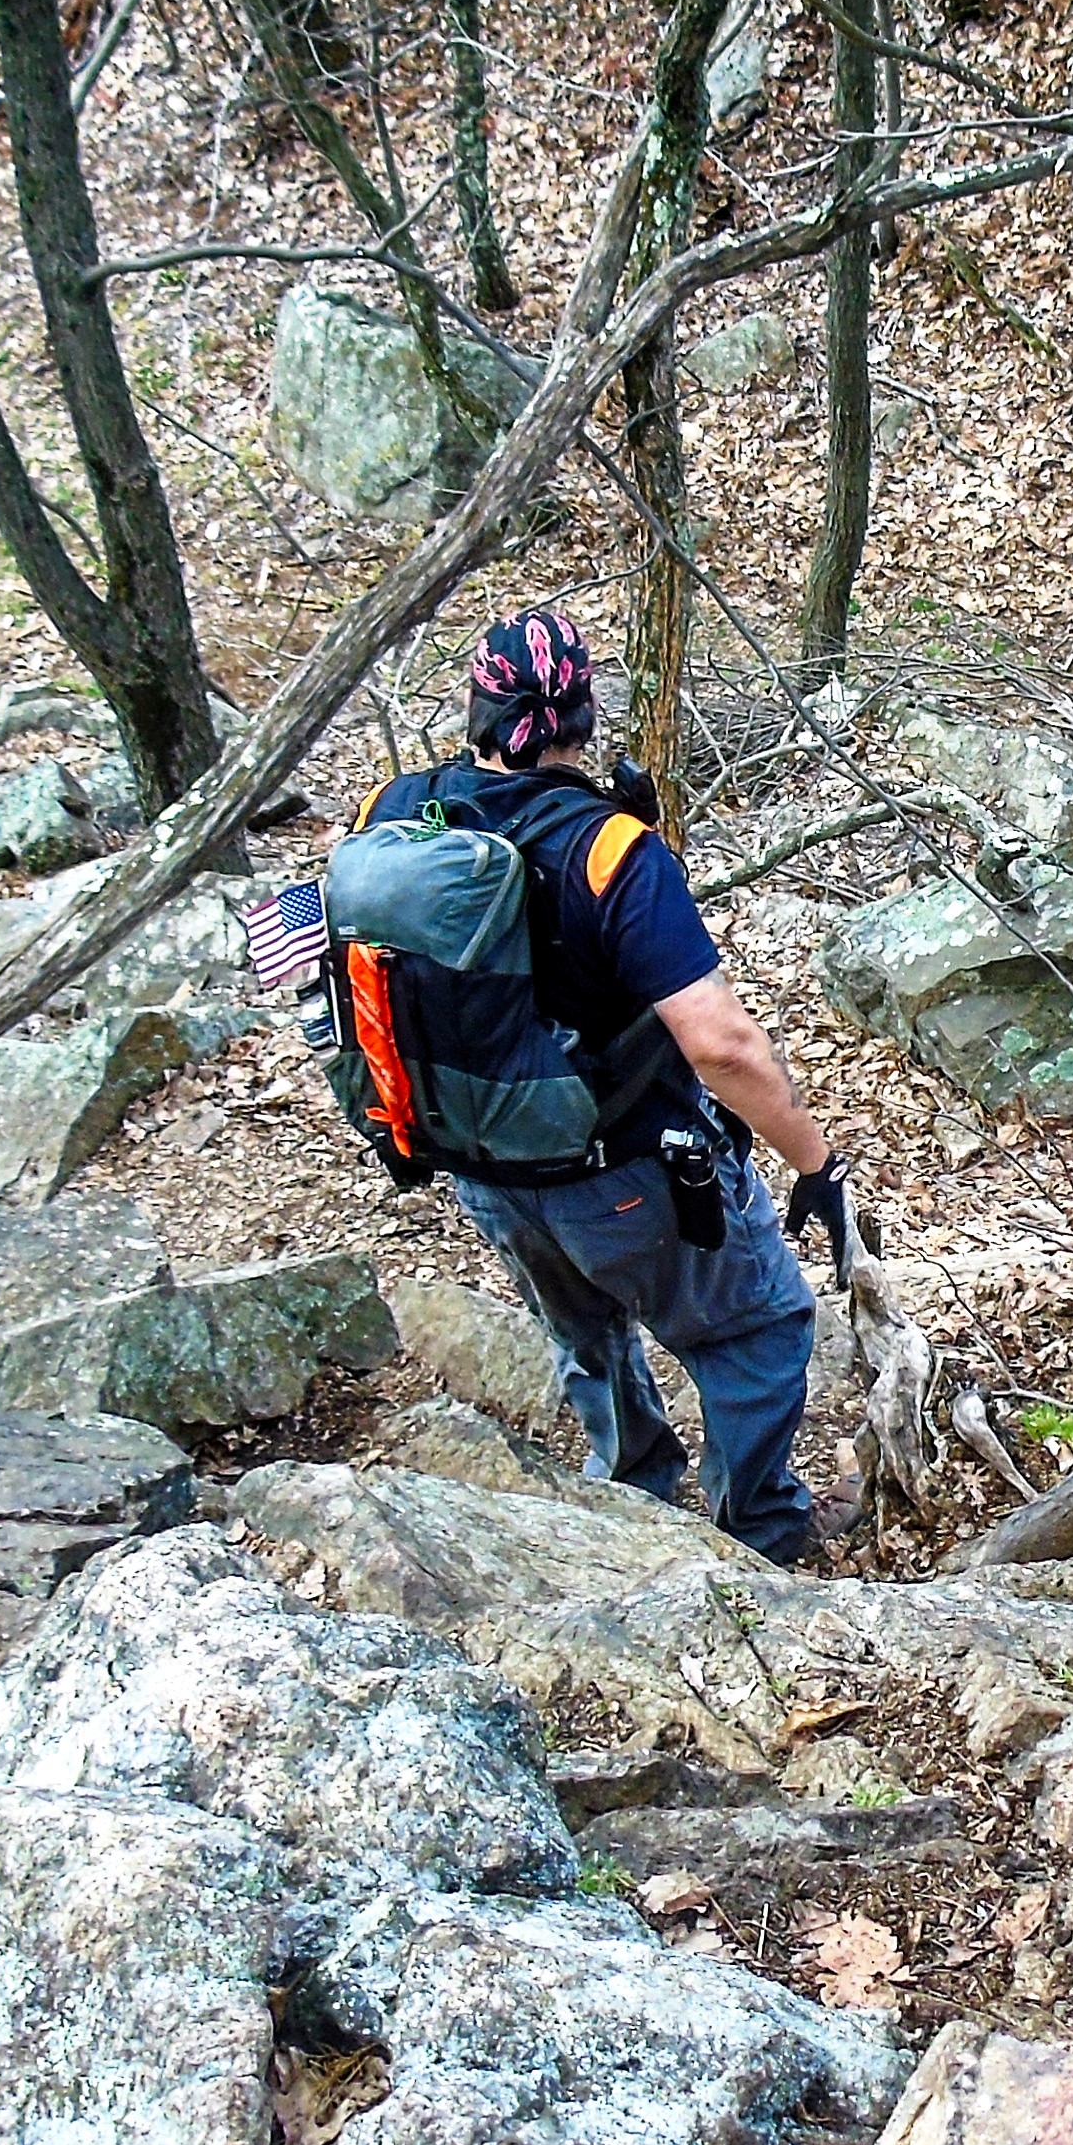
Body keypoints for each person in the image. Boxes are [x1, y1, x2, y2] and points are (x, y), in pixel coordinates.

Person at [350, 607, 855, 1563]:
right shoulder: (610, 849)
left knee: (588, 1333)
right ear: (583, 715)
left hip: (482, 1166)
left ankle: (630, 1504)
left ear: (476, 712)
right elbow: (721, 1047)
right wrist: (814, 1162)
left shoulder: (395, 814)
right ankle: (761, 1536)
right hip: (626, 1169)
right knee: (759, 1327)